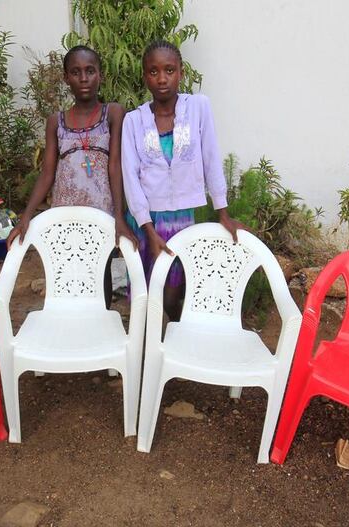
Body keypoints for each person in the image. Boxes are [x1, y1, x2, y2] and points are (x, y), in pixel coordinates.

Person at [121, 40, 244, 321]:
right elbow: (130, 176)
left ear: (181, 72)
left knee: (174, 294)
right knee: (147, 293)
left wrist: (222, 211)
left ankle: (178, 340)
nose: (162, 78)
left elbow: (211, 157)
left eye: (169, 70)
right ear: (145, 76)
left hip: (182, 220)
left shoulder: (198, 107)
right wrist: (149, 231)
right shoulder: (134, 121)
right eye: (153, 72)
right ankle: (148, 350)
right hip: (145, 221)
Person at [6, 45, 137, 304]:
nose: (84, 78)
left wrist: (119, 217)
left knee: (102, 275)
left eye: (90, 71)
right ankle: (71, 330)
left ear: (100, 75)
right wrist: (27, 215)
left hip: (102, 213)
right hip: (65, 213)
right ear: (67, 78)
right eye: (76, 72)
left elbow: (115, 165)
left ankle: (102, 326)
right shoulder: (56, 121)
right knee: (67, 273)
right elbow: (48, 173)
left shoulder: (113, 113)